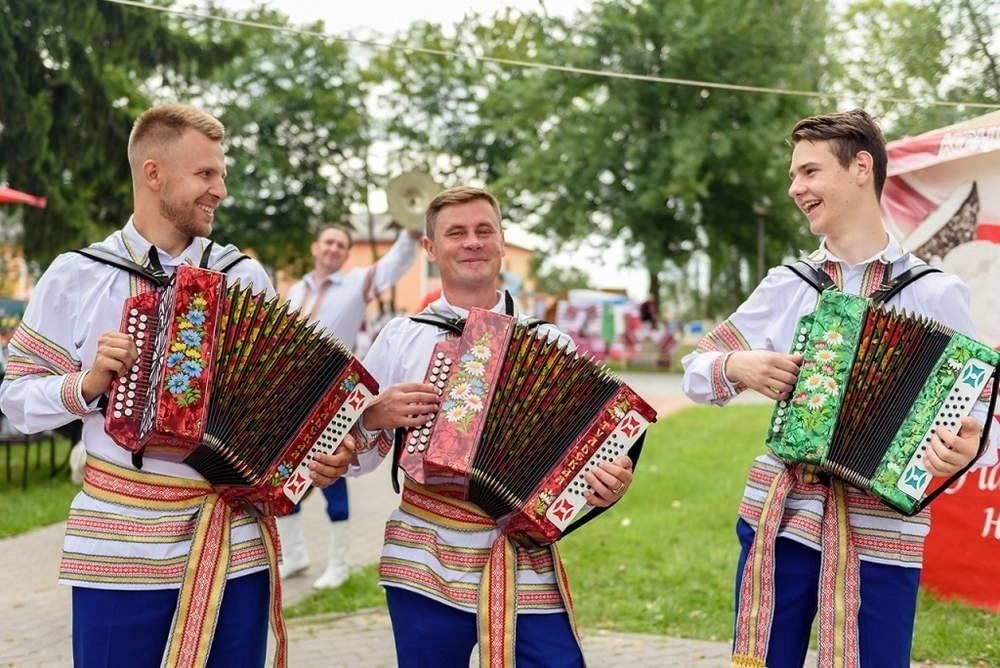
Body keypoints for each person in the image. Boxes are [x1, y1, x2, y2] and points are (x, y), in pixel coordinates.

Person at [0, 103, 351, 668]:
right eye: (206, 174)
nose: (220, 190)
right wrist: (87, 383)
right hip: (118, 539)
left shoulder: (242, 276)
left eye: (222, 175)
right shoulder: (76, 274)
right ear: (153, 173)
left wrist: (315, 457)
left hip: (232, 545)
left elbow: (273, 411)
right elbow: (16, 399)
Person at [682, 109, 1000, 668]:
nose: (794, 189)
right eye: (792, 176)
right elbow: (696, 368)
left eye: (808, 172)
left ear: (860, 167)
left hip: (883, 532)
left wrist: (967, 449)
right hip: (784, 519)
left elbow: (985, 419)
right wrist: (741, 365)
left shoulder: (935, 293)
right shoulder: (788, 286)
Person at [345, 186, 634, 667]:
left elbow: (585, 453)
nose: (472, 242)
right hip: (425, 550)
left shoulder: (550, 342)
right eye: (455, 233)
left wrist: (606, 482)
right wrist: (372, 415)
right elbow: (355, 458)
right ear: (431, 250)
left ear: (502, 242)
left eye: (484, 230)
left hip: (518, 550)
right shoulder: (401, 336)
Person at [277, 223, 421, 588]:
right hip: (289, 398)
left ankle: (339, 563)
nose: (334, 249)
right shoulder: (295, 289)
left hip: (329, 399)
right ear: (315, 247)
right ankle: (294, 555)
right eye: (329, 241)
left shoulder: (356, 284)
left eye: (341, 245)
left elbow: (393, 267)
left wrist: (409, 231)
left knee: (331, 474)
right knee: (284, 478)